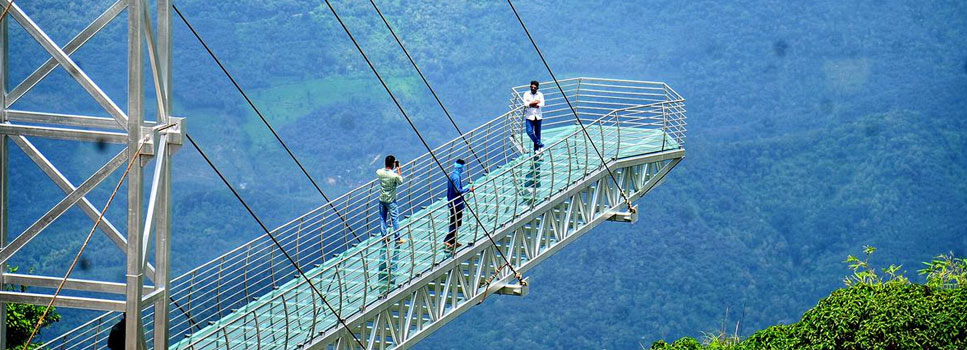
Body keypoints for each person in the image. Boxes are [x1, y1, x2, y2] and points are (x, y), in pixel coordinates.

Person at [444, 159, 474, 249]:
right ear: (461, 167)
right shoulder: (456, 177)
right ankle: (448, 240)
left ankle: (453, 240)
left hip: (452, 201)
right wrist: (469, 189)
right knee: (456, 221)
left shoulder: (453, 175)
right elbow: (458, 190)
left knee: (455, 221)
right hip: (456, 202)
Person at [376, 155, 405, 244]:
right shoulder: (394, 176)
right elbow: (401, 181)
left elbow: (379, 171)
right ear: (393, 164)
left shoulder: (379, 172)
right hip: (391, 200)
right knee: (394, 219)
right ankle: (397, 238)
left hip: (382, 199)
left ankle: (384, 237)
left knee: (382, 218)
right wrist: (399, 170)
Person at [522, 80, 545, 152]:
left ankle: (536, 149)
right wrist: (535, 102)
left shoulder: (540, 94)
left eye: (534, 88)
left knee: (538, 133)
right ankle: (539, 144)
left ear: (537, 88)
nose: (532, 89)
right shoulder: (526, 94)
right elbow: (525, 103)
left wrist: (532, 104)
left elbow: (542, 103)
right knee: (529, 131)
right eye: (531, 87)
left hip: (538, 116)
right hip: (529, 116)